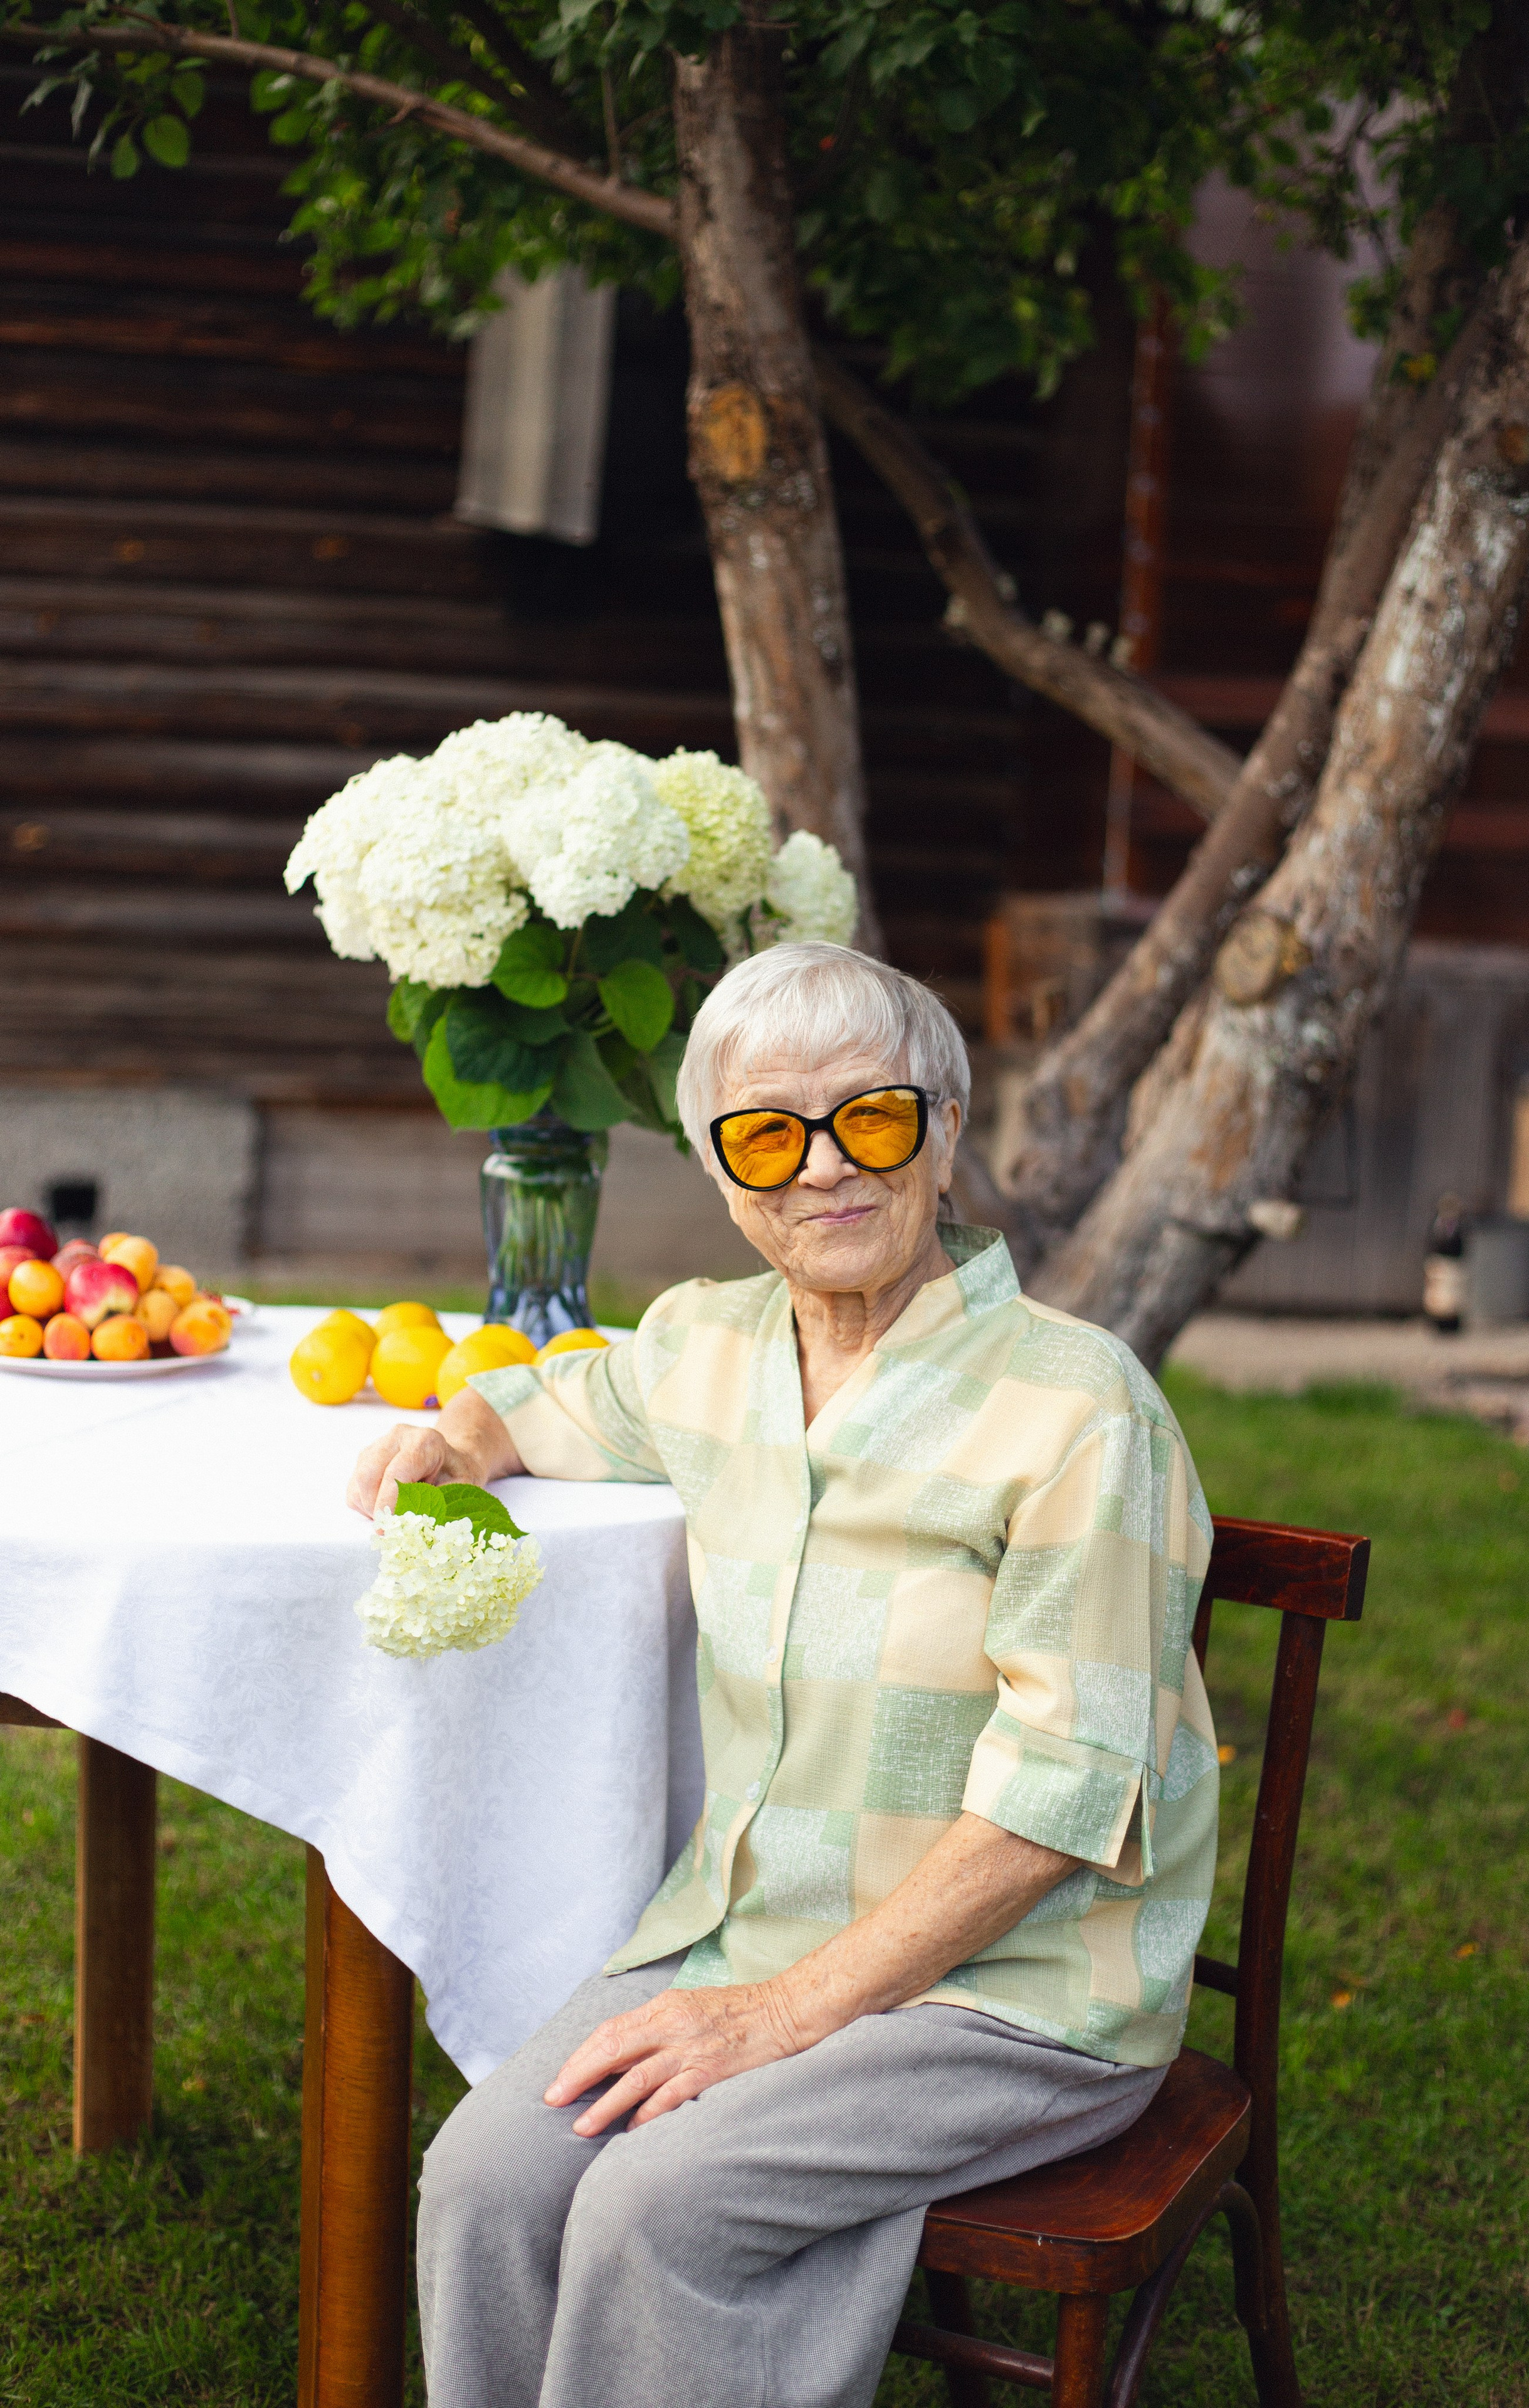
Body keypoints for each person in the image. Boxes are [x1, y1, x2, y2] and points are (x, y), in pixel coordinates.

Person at [349, 941, 1220, 2408]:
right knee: (483, 2182)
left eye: (869, 1118)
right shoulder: (707, 1346)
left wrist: (782, 2016)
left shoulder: (1079, 1410)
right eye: (766, 1135)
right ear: (718, 1169)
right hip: (747, 1927)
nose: (823, 1168)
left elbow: (1058, 1805)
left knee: (657, 2204)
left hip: (1016, 1992)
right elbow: (562, 1398)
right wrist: (459, 1435)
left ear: (944, 1130)